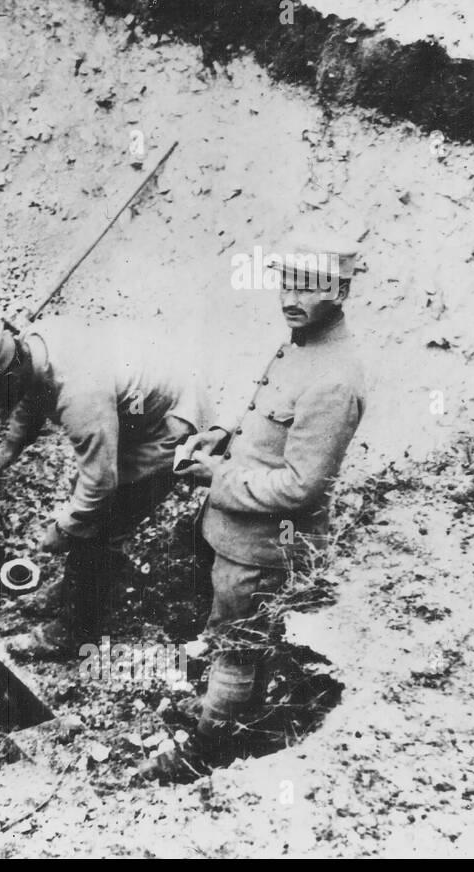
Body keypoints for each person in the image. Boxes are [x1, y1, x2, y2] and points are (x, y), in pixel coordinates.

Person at [144, 231, 366, 779]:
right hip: (236, 533)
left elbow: (299, 487)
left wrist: (215, 477)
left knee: (238, 648)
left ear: (340, 290)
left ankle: (204, 754)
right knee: (235, 635)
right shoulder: (300, 342)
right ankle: (238, 704)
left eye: (309, 287)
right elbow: (264, 415)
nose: (292, 297)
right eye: (286, 282)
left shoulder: (335, 378)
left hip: (267, 545)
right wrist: (220, 437)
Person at [0, 316, 210, 656]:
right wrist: (12, 444)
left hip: (169, 427)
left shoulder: (80, 394)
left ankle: (75, 631)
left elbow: (101, 482)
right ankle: (76, 585)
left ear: (9, 374)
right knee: (90, 510)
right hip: (137, 404)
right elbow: (30, 392)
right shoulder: (33, 348)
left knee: (99, 527)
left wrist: (65, 527)